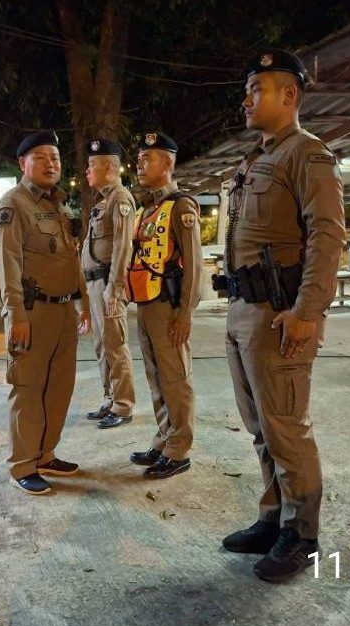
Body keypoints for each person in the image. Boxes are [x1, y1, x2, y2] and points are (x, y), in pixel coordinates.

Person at [219, 51, 345, 583]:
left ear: (289, 95)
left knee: (287, 429)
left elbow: (327, 235)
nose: (246, 99)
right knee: (261, 428)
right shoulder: (255, 159)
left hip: (279, 315)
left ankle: (302, 534)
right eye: (247, 90)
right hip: (244, 310)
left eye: (257, 89)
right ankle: (273, 517)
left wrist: (306, 311)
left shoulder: (307, 154)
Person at [0, 130, 92, 496]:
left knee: (59, 389)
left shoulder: (58, 205)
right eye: (41, 157)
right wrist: (15, 315)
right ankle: (22, 465)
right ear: (23, 163)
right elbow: (8, 264)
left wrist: (83, 302)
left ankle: (45, 454)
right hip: (32, 313)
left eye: (55, 157)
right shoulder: (13, 205)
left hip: (63, 311)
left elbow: (70, 257)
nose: (51, 164)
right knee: (28, 389)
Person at [126, 131, 202, 480]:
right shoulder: (148, 209)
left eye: (147, 158)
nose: (140, 164)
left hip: (169, 305)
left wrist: (185, 312)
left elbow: (194, 265)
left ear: (168, 163)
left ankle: (179, 449)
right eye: (139, 158)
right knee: (156, 376)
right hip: (146, 303)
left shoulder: (181, 206)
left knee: (175, 377)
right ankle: (164, 438)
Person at [81, 138, 137, 429]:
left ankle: (123, 405)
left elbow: (122, 246)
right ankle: (111, 398)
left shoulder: (121, 199)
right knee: (102, 345)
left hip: (108, 284)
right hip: (95, 284)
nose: (87, 170)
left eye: (92, 165)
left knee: (115, 345)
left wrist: (114, 288)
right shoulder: (104, 201)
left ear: (109, 168)